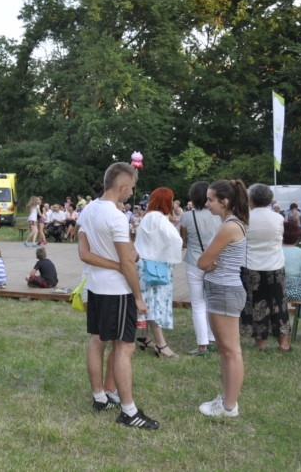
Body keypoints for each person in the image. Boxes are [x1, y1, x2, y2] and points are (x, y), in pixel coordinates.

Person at [77, 162, 159, 429]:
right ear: (122, 186)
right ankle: (129, 411)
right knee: (125, 346)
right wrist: (138, 297)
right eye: (131, 188)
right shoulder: (116, 217)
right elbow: (127, 262)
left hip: (96, 287)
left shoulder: (88, 209)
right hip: (118, 291)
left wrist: (117, 263)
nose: (132, 193)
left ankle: (100, 397)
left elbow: (84, 253)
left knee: (97, 340)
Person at [197, 179, 249, 417]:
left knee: (230, 351)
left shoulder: (229, 227)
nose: (207, 204)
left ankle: (229, 406)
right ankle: (227, 401)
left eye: (210, 200)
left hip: (225, 291)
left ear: (224, 201)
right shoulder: (229, 224)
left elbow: (203, 261)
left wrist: (208, 265)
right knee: (226, 350)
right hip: (222, 289)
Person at [134, 187, 183, 359]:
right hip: (156, 268)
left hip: (144, 266)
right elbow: (176, 239)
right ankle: (161, 345)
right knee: (154, 305)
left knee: (147, 302)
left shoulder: (148, 217)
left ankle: (144, 337)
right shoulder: (159, 218)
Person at [240, 183, 289, 352]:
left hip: (251, 266)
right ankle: (283, 342)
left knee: (256, 304)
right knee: (279, 303)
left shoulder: (245, 218)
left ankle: (260, 342)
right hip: (275, 265)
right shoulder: (278, 218)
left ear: (251, 199)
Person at [179, 181, 221, 356]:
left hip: (194, 262)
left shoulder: (187, 217)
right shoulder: (218, 216)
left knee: (198, 303)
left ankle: (202, 345)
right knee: (211, 302)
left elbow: (183, 240)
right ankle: (212, 339)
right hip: (215, 263)